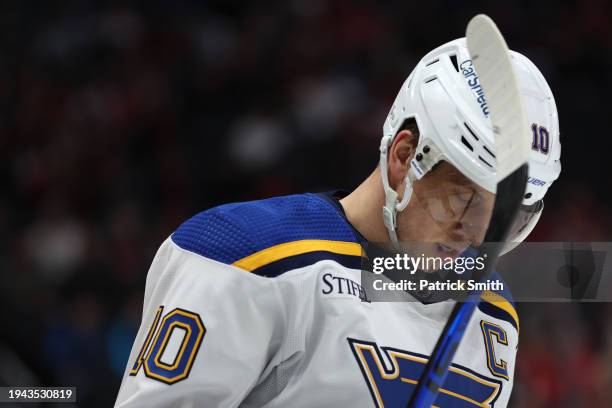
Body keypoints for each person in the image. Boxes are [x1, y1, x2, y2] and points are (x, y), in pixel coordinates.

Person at [115, 38, 561, 407]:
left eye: (502, 221)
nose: (475, 239)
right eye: (464, 202)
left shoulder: (492, 311)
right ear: (404, 156)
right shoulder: (243, 254)